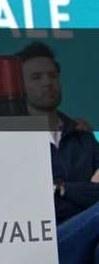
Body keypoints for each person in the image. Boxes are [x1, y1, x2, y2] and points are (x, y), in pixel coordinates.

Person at [17, 42, 98, 263]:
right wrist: (85, 190)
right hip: (43, 242)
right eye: (36, 77)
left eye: (52, 75)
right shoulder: (11, 139)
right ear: (20, 86)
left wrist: (60, 188)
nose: (48, 83)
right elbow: (31, 204)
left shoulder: (84, 138)